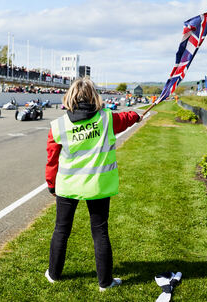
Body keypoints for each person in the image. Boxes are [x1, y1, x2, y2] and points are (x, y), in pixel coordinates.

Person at [44, 78, 142, 291]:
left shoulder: (59, 125)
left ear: (70, 97)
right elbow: (127, 117)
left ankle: (53, 274)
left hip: (67, 186)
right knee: (100, 232)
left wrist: (51, 184)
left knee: (61, 230)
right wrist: (136, 116)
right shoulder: (106, 119)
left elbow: (52, 158)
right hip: (97, 186)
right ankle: (105, 282)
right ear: (93, 97)